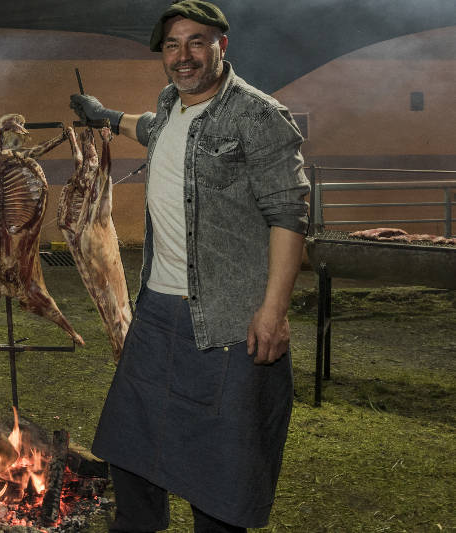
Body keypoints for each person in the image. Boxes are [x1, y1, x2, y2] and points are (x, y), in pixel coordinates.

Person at [69, 1, 310, 531]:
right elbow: (155, 129)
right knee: (130, 452)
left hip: (226, 323)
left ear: (223, 46)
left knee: (219, 478)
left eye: (197, 42)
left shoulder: (258, 115)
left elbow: (290, 216)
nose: (184, 56)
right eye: (172, 46)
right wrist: (104, 116)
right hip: (157, 312)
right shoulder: (171, 105)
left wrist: (273, 312)